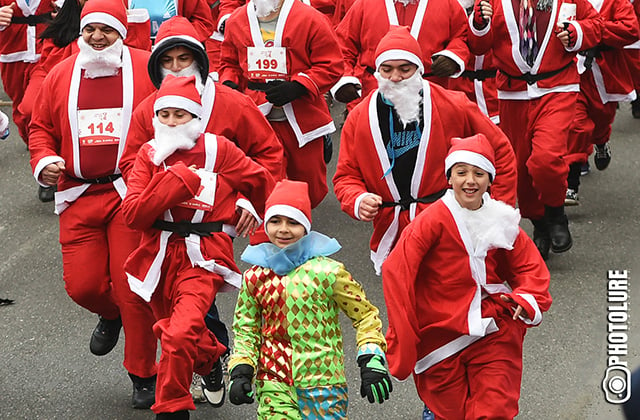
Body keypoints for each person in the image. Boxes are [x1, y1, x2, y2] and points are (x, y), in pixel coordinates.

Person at [28, 0, 159, 409]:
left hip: (127, 195)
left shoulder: (145, 67)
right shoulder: (62, 74)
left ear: (122, 31)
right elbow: (40, 129)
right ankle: (109, 313)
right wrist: (44, 161)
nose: (98, 37)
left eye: (107, 29)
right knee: (83, 286)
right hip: (77, 194)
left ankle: (143, 374)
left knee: (132, 289)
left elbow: (174, 115)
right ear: (81, 32)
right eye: (90, 30)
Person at [121, 74, 276, 420]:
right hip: (157, 256)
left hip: (204, 256)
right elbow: (132, 215)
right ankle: (209, 360)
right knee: (184, 334)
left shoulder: (219, 149)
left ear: (196, 118)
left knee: (175, 337)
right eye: (165, 115)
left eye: (181, 115)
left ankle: (172, 407)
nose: (172, 122)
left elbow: (262, 182)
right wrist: (179, 181)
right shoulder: (148, 154)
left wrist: (248, 205)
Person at [382, 134, 552, 419]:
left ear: (490, 180)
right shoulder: (432, 219)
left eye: (478, 173)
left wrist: (528, 296)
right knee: (450, 412)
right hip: (440, 334)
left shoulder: (502, 218)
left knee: (495, 408)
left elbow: (528, 266)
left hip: (494, 326)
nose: (469, 180)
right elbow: (397, 270)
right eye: (461, 173)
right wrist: (404, 329)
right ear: (449, 178)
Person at [333, 26, 517, 275]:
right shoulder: (359, 118)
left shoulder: (454, 104)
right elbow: (346, 176)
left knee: (450, 299)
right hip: (392, 228)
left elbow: (501, 151)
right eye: (387, 69)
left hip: (449, 222)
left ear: (419, 70)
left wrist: (495, 208)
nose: (395, 77)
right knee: (403, 303)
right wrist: (357, 200)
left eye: (404, 69)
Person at [228, 179, 392, 418]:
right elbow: (246, 327)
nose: (283, 229)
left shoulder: (329, 272)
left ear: (305, 227)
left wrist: (371, 356)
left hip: (324, 384)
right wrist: (241, 367)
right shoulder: (255, 276)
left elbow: (365, 315)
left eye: (293, 222)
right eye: (275, 221)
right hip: (274, 383)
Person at [469, 0, 603, 259]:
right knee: (519, 168)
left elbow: (596, 26)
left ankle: (555, 214)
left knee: (546, 159)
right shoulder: (492, 2)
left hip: (557, 87)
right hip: (512, 93)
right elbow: (478, 46)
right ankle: (539, 224)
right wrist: (479, 23)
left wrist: (576, 33)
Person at [218, 0, 343, 208]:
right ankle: (269, 230)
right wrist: (229, 83)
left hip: (302, 117)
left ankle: (298, 221)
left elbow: (332, 63)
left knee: (310, 188)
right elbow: (229, 63)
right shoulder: (237, 21)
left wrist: (299, 86)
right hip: (257, 119)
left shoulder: (310, 18)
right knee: (263, 187)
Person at [564, 0, 639, 205]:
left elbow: (631, 29)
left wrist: (592, 30)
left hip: (606, 73)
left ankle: (601, 142)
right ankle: (571, 184)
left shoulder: (616, 2)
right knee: (576, 126)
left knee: (601, 121)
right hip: (575, 71)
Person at [331, 0, 470, 109]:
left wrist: (453, 56)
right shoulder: (365, 4)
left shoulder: (448, 3)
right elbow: (341, 45)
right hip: (376, 95)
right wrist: (343, 79)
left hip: (431, 94)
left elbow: (461, 36)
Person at [0, 0, 54, 145]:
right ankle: (32, 141)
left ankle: (44, 143)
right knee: (19, 109)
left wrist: (64, 15)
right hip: (11, 54)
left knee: (31, 108)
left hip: (45, 52)